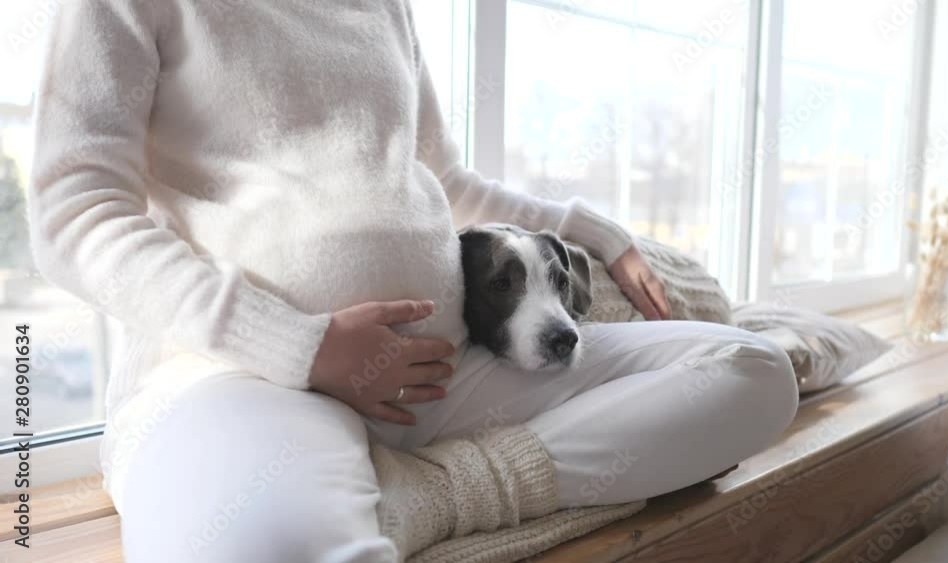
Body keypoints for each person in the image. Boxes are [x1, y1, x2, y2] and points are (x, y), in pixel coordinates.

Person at [28, 1, 798, 561]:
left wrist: (597, 233)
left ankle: (426, 496)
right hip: (243, 380)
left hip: (446, 374)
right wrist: (302, 344)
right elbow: (73, 212)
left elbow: (445, 179)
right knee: (255, 545)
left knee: (751, 372)